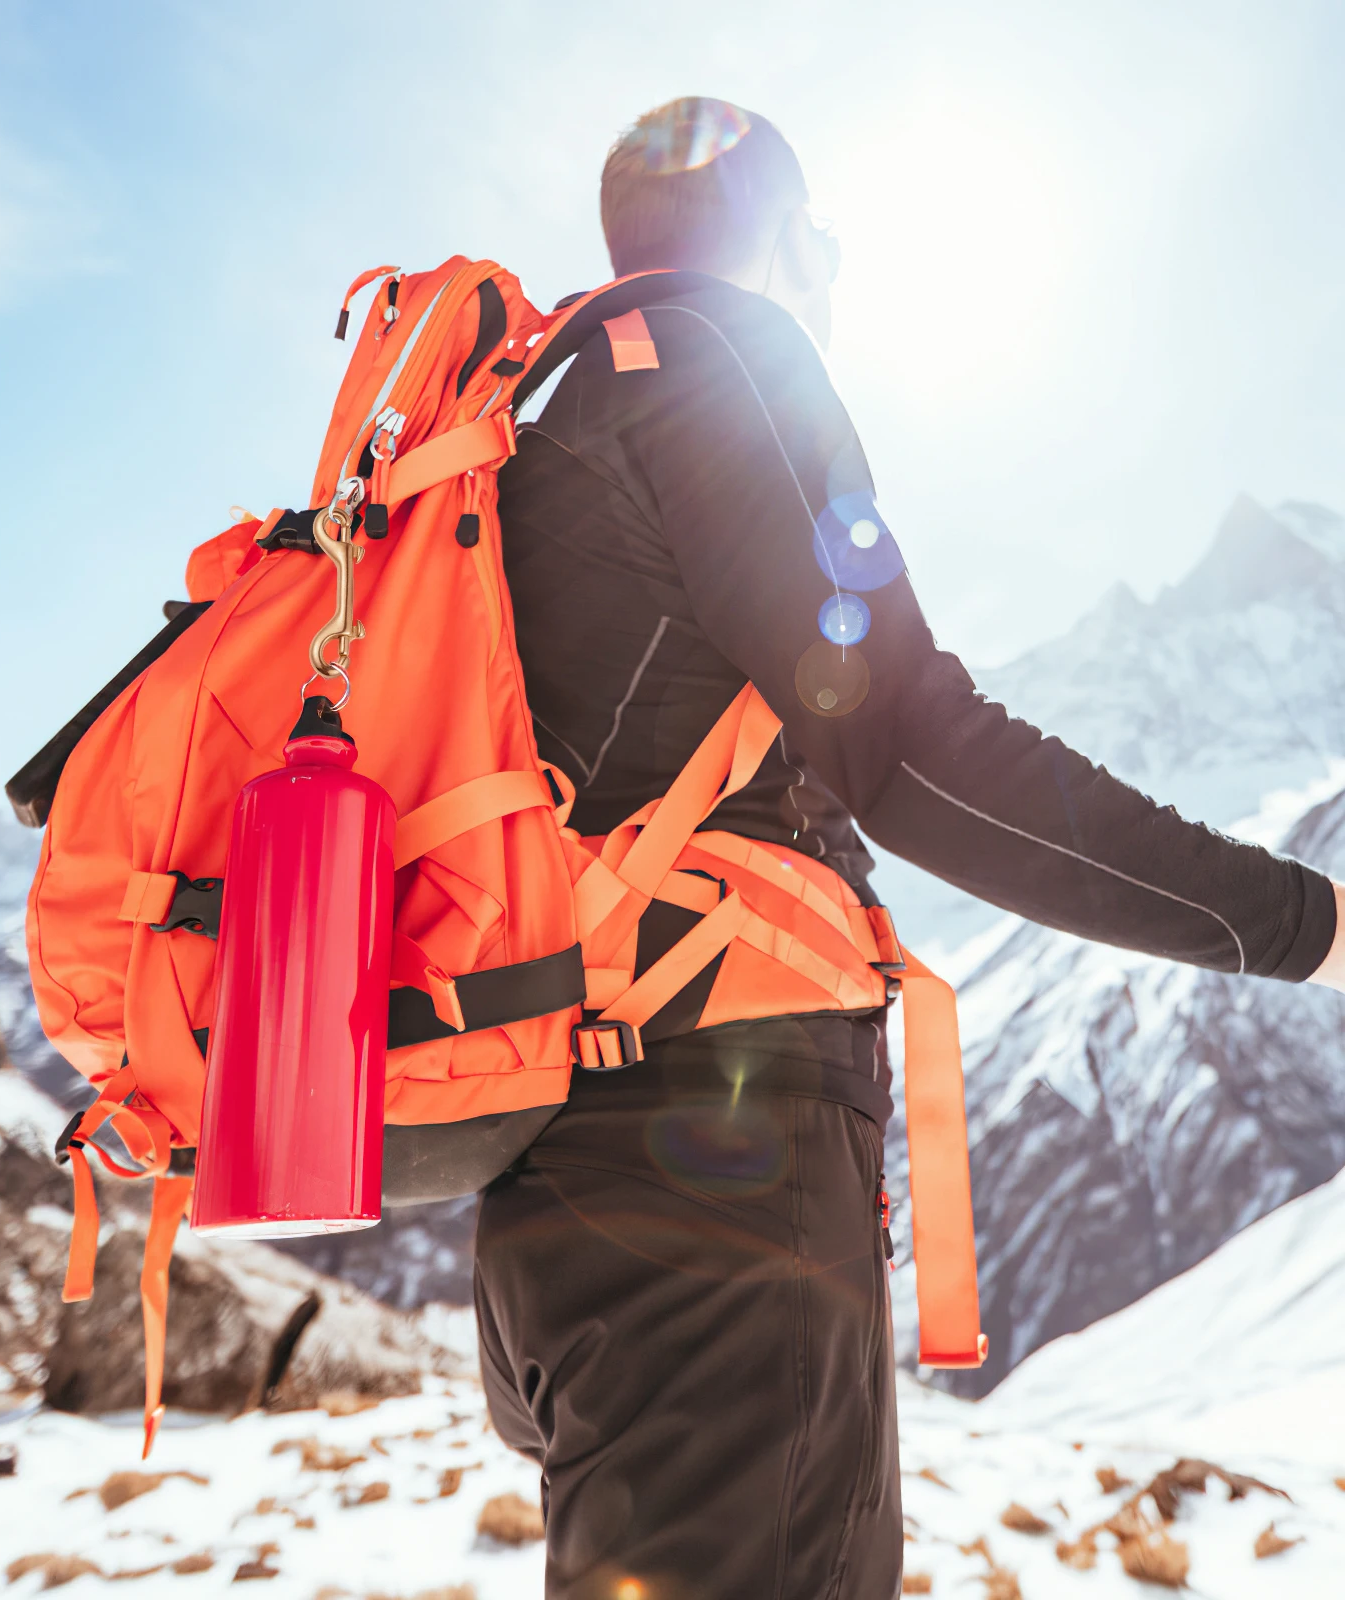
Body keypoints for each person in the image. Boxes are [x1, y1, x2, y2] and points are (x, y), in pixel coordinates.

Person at [474, 95, 1345, 1600]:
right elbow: (916, 753)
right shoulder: (728, 359)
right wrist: (1304, 925)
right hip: (718, 1175)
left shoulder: (537, 429)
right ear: (791, 245)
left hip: (558, 1166)